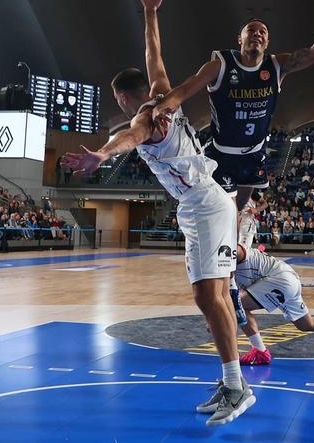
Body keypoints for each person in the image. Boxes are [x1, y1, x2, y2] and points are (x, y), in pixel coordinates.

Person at [61, 68, 252, 422]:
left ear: (122, 98)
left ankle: (236, 387)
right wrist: (151, 14)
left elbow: (129, 139)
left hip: (203, 205)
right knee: (220, 295)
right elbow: (156, 59)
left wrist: (102, 154)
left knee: (208, 297)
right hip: (213, 200)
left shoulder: (146, 119)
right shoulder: (165, 96)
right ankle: (235, 382)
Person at [149, 0, 314, 214]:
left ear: (267, 41)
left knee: (237, 211)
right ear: (240, 39)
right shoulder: (220, 64)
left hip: (254, 153)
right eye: (251, 30)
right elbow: (187, 88)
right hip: (222, 153)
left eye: (263, 31)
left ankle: (232, 249)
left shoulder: (276, 65)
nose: (257, 33)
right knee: (223, 212)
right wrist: (164, 105)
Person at [232, 244, 314, 365]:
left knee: (237, 305)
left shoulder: (230, 252)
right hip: (288, 279)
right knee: (306, 324)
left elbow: (237, 251)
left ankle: (260, 351)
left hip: (278, 280)